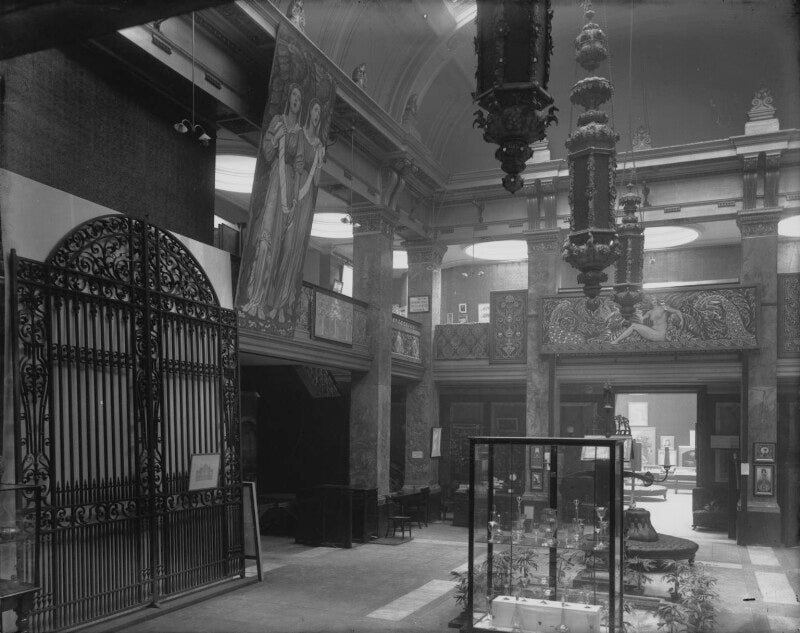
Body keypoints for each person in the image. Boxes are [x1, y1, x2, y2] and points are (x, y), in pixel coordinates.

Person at [238, 83, 304, 321]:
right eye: (293, 95)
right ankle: (255, 297)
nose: (296, 100)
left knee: (279, 243)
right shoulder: (277, 121)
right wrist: (276, 139)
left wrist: (296, 196)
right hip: (276, 181)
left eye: (299, 97)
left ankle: (267, 301)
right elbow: (267, 151)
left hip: (289, 187)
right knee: (265, 237)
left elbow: (299, 164)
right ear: (288, 98)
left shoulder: (299, 132)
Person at [266, 98, 326, 324]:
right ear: (309, 112)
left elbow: (317, 180)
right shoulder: (300, 134)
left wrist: (320, 162)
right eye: (315, 109)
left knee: (294, 251)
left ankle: (282, 305)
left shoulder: (319, 145)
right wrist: (292, 198)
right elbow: (298, 166)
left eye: (320, 111)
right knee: (283, 243)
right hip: (294, 193)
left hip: (307, 200)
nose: (317, 114)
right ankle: (272, 299)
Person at [611, 299, 684, 344]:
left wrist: (682, 321)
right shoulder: (649, 312)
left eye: (654, 299)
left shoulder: (663, 308)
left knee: (634, 326)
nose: (653, 301)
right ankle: (616, 341)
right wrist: (637, 315)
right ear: (650, 302)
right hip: (653, 333)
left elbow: (677, 311)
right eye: (652, 300)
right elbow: (641, 321)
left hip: (660, 334)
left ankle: (616, 341)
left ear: (657, 300)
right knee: (634, 325)